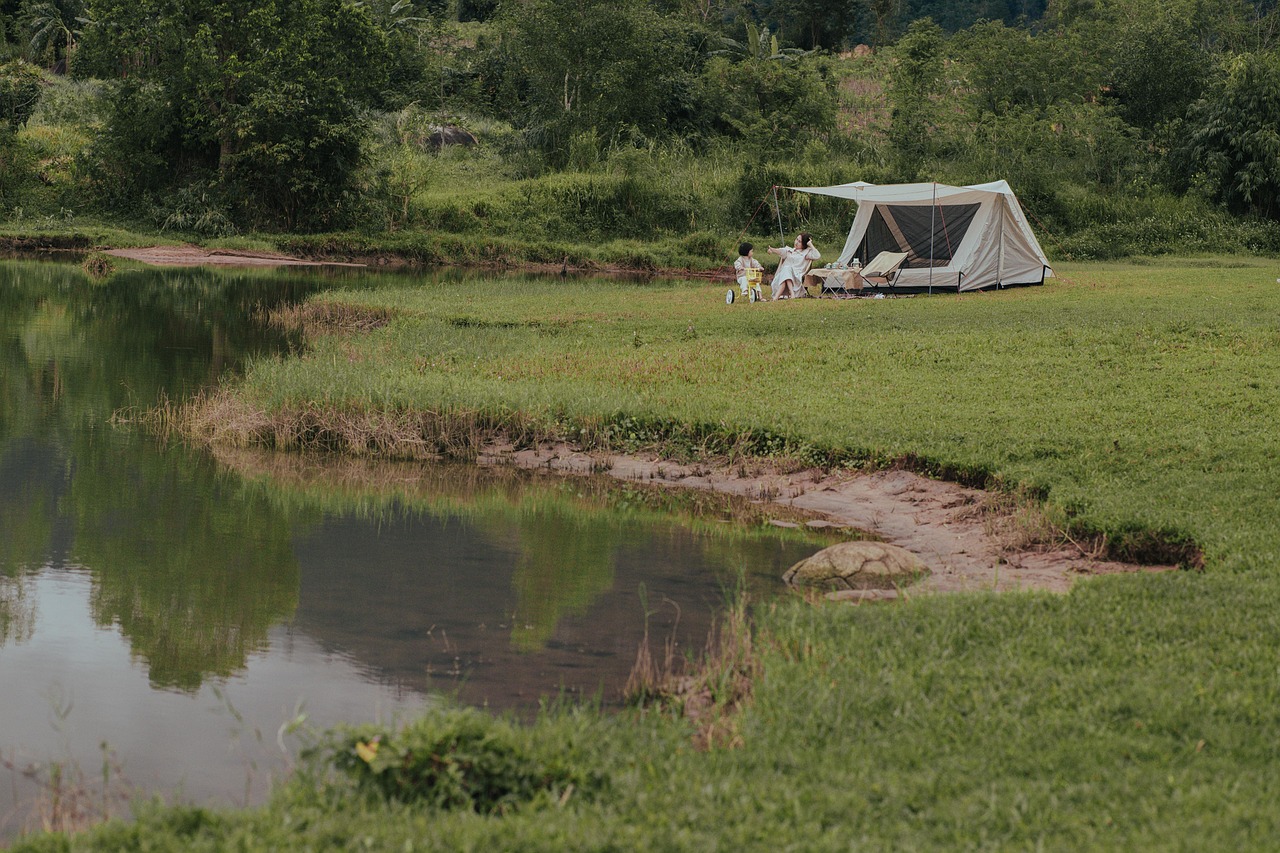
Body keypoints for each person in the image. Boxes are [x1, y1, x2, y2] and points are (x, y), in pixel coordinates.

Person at [768, 233, 820, 299]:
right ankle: (791, 293)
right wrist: (773, 250)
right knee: (786, 268)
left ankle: (777, 296)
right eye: (796, 239)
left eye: (799, 242)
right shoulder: (789, 250)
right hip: (782, 277)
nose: (796, 242)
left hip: (795, 277)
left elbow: (817, 256)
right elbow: (780, 251)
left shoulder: (805, 253)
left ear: (804, 244)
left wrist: (810, 244)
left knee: (787, 268)